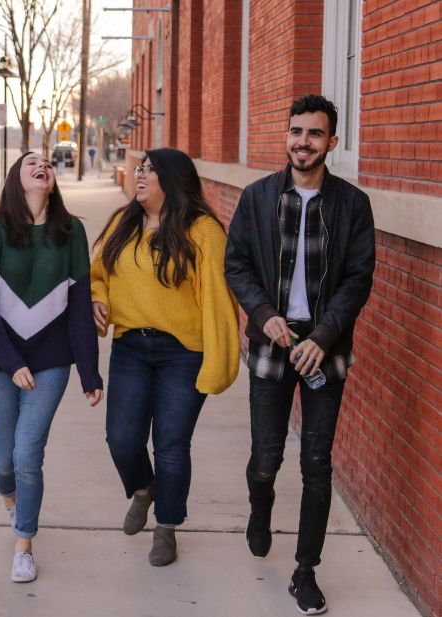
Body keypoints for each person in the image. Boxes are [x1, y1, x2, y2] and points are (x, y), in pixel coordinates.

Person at [225, 94, 375, 615]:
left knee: (317, 463)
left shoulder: (352, 204)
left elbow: (358, 279)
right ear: (286, 135)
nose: (302, 142)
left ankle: (305, 571)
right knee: (266, 458)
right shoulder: (259, 197)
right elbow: (237, 263)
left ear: (331, 142)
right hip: (272, 341)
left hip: (323, 348)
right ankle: (259, 508)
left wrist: (325, 335)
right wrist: (262, 312)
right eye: (295, 132)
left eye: (313, 134)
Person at [91, 147, 239, 567]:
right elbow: (97, 274)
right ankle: (143, 490)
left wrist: (219, 361)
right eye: (139, 168)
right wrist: (97, 300)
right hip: (131, 347)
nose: (140, 174)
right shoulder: (123, 223)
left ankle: (167, 527)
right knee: (121, 439)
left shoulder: (203, 231)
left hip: (183, 354)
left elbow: (218, 300)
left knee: (172, 446)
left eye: (150, 170)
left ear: (172, 180)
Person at [0, 152, 103, 583]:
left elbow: (81, 307)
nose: (42, 165)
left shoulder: (72, 232)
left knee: (28, 454)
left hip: (50, 363)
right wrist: (11, 364)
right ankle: (11, 499)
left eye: (47, 163)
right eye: (31, 162)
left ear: (53, 180)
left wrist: (89, 372)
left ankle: (24, 543)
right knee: (3, 460)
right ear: (17, 178)